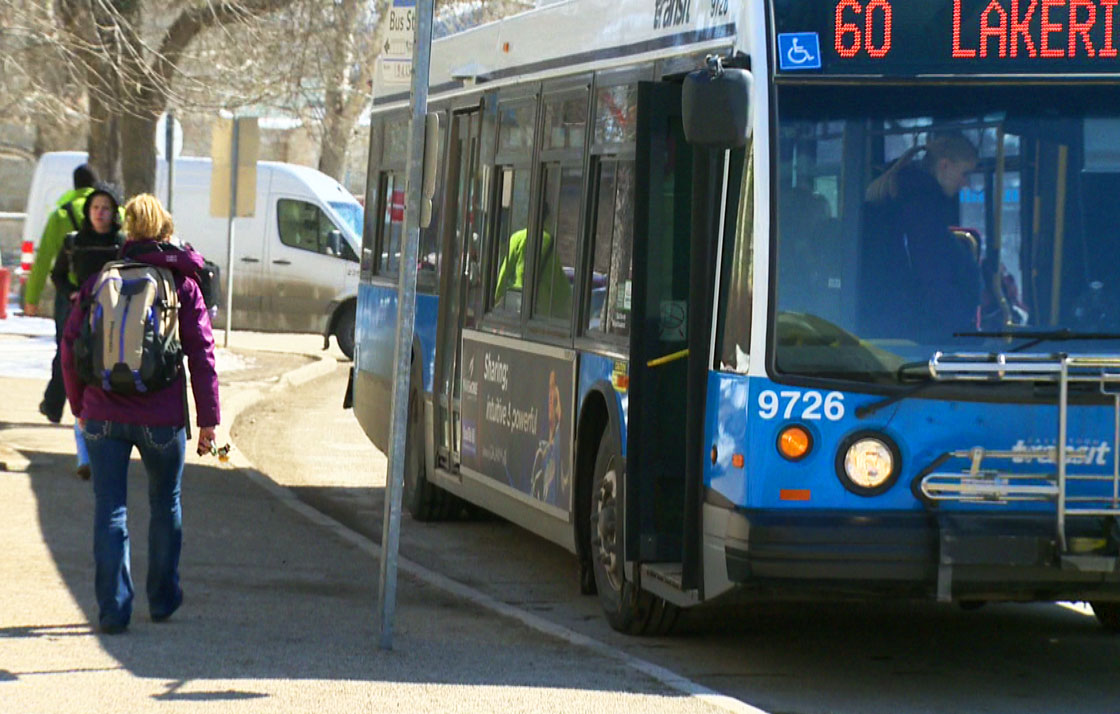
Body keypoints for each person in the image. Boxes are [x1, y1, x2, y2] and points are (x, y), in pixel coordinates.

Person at [61, 193, 220, 635]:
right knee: (164, 501)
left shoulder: (99, 281)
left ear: (129, 231)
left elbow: (70, 349)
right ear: (166, 230)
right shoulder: (181, 283)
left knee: (110, 509)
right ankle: (163, 598)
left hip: (103, 415)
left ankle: (114, 609)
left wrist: (79, 407)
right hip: (162, 418)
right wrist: (208, 420)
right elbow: (202, 354)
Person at [860, 132, 983, 342]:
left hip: (892, 326)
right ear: (944, 166)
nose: (965, 184)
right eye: (964, 174)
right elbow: (933, 277)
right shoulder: (921, 205)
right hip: (912, 334)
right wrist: (962, 332)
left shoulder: (905, 196)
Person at [50, 185, 127, 480]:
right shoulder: (74, 242)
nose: (100, 213)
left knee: (106, 383)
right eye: (95, 207)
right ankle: (84, 455)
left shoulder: (121, 244)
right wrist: (72, 293)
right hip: (81, 321)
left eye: (106, 208)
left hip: (114, 323)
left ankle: (103, 450)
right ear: (87, 211)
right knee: (80, 379)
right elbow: (57, 275)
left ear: (114, 212)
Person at [24, 163, 99, 424]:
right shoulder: (111, 212)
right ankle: (95, 408)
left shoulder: (61, 215)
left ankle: (55, 405)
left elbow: (43, 258)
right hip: (104, 295)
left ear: (74, 185)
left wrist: (31, 298)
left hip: (70, 294)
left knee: (65, 349)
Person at [493, 203, 572, 319]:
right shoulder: (549, 243)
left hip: (516, 303)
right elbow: (560, 284)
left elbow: (504, 273)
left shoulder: (517, 238)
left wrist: (496, 299)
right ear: (546, 219)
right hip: (540, 308)